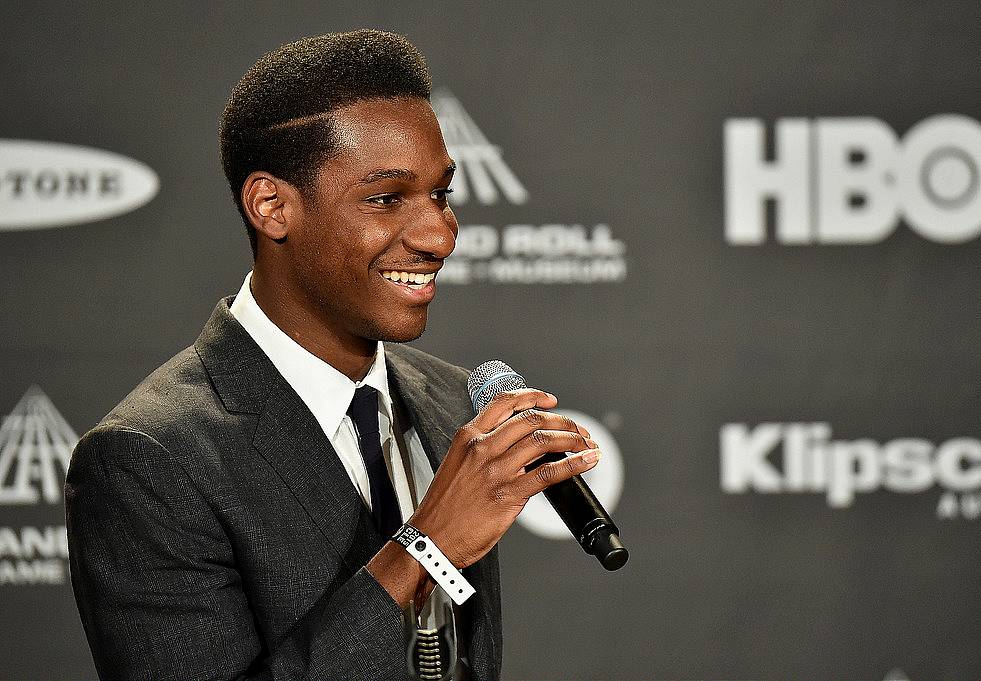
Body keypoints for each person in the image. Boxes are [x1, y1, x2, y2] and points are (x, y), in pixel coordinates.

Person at [64, 29, 602, 681]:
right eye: (385, 198)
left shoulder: (451, 403)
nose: (439, 235)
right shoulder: (148, 459)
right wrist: (426, 548)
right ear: (271, 206)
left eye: (441, 194)